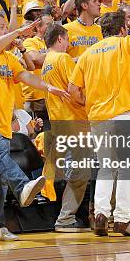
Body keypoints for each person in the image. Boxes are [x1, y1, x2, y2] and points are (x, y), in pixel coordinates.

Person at [0, 13, 68, 241]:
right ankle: (22, 186)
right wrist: (18, 32)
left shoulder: (8, 58)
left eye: (6, 26)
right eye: (0, 27)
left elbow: (27, 76)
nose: (6, 30)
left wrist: (49, 87)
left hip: (0, 121)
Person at [68, 7, 130, 237]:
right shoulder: (124, 44)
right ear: (122, 29)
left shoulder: (87, 53)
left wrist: (88, 103)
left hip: (97, 117)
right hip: (123, 114)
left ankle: (101, 214)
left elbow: (73, 91)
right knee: (125, 170)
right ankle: (122, 220)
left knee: (105, 168)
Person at [41, 23, 90, 232]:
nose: (69, 44)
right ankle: (65, 217)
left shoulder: (47, 61)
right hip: (75, 121)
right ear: (60, 39)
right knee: (82, 172)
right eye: (68, 40)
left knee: (77, 170)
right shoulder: (62, 58)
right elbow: (76, 89)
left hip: (59, 121)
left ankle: (69, 215)